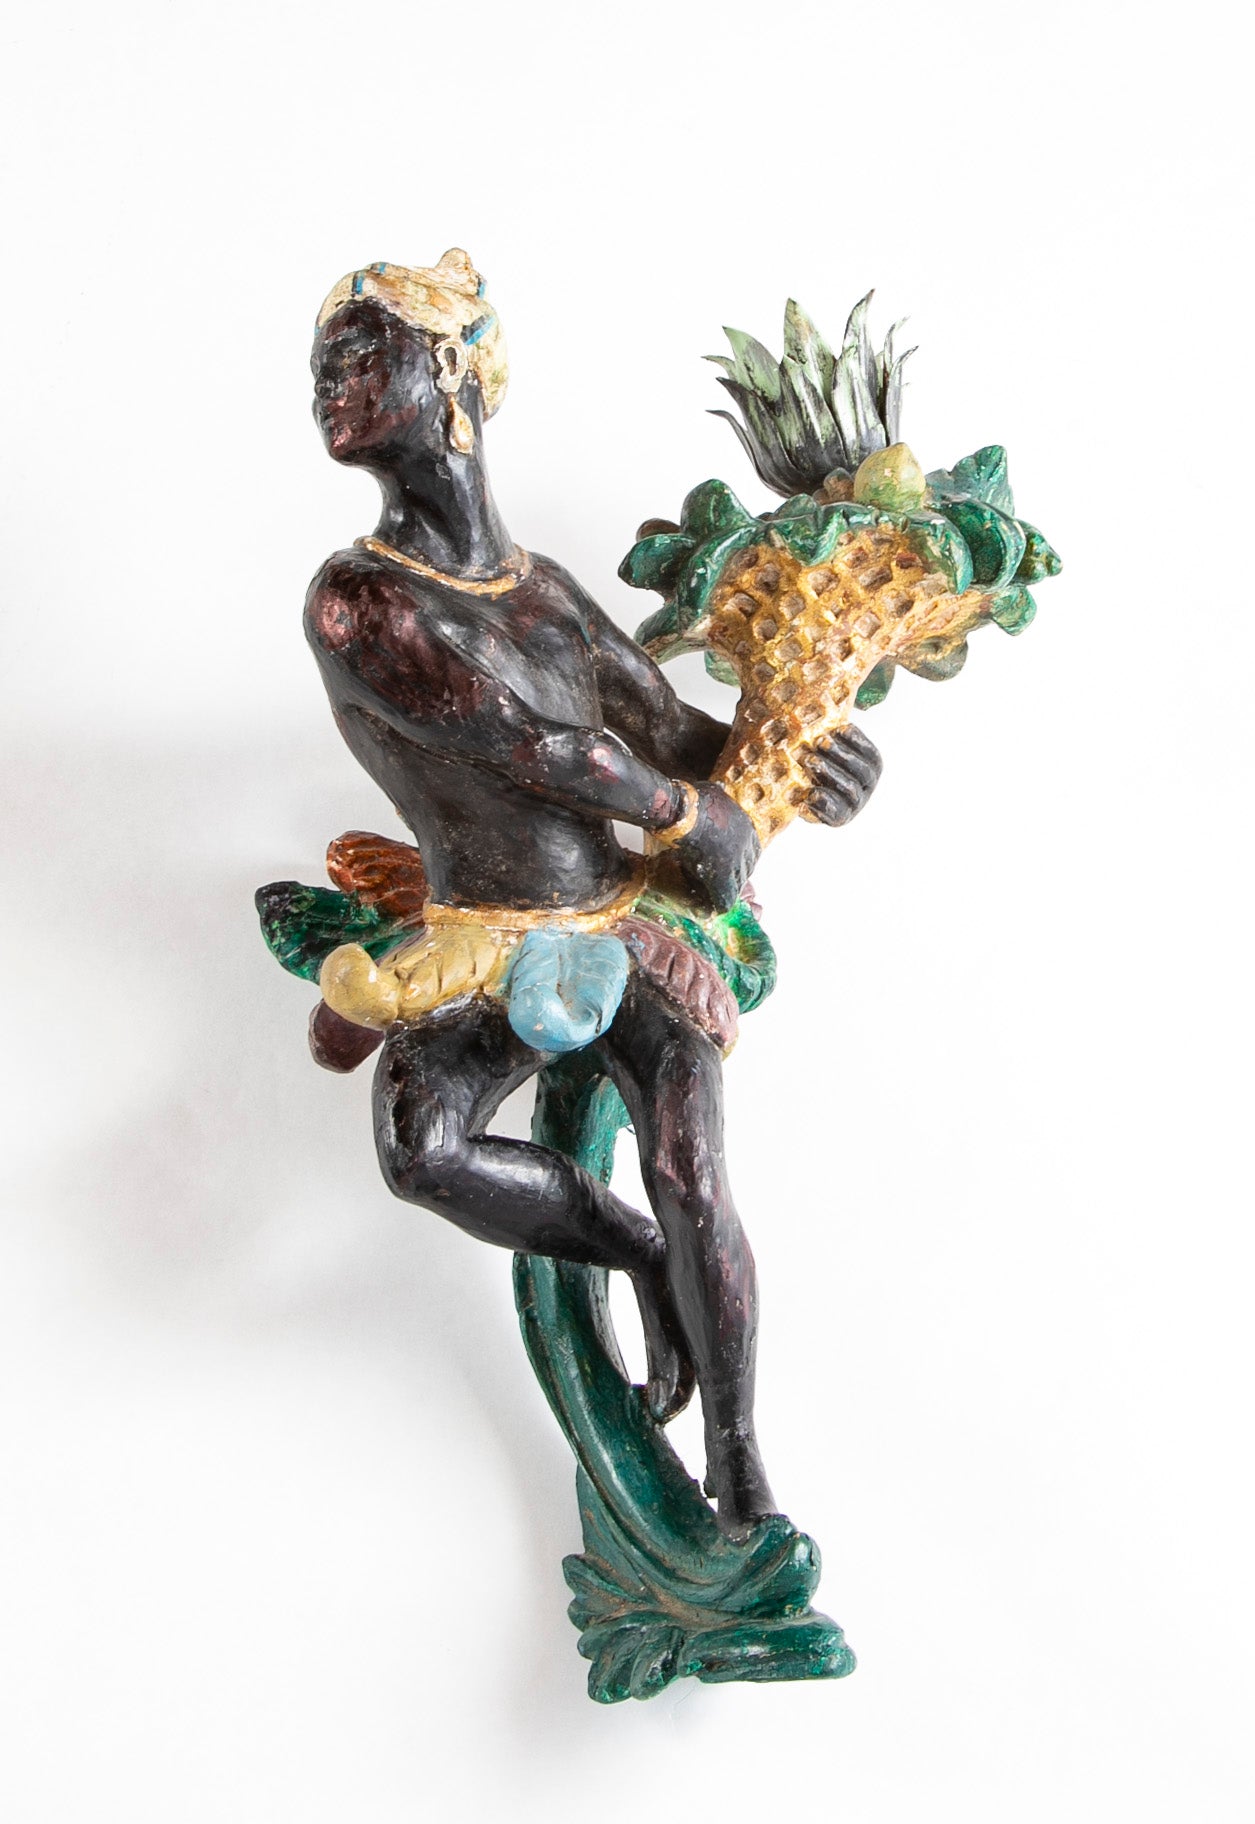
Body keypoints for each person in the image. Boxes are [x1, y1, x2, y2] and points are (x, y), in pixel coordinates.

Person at [302, 252, 882, 1535]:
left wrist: (803, 757)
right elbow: (537, 750)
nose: (328, 381)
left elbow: (670, 728)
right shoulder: (358, 601)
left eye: (360, 353)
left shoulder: (545, 592)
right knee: (423, 1152)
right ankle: (633, 1252)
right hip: (477, 939)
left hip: (625, 922)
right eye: (323, 363)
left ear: (452, 377)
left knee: (692, 1170)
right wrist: (690, 815)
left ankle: (738, 1463)